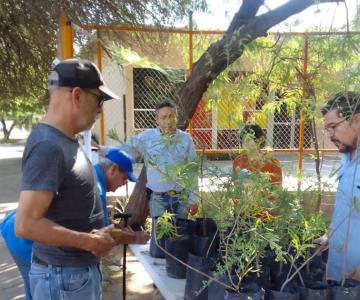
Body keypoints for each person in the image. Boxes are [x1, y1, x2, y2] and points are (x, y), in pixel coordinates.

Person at [14, 58, 149, 300]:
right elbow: (26, 224)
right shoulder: (48, 145)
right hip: (63, 279)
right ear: (76, 95)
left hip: (71, 277)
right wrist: (88, 241)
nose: (100, 110)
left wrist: (97, 232)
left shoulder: (64, 140)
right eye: (99, 100)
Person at [0, 148, 139, 300]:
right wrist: (134, 238)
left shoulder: (91, 175)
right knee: (40, 285)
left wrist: (122, 232)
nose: (124, 183)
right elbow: (101, 236)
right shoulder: (95, 188)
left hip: (14, 224)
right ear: (113, 169)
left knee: (35, 289)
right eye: (124, 178)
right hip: (25, 238)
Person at [113, 99, 199, 219]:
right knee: (159, 234)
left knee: (181, 234)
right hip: (158, 198)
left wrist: (193, 198)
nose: (168, 121)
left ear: (176, 118)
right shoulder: (147, 138)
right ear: (157, 120)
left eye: (171, 116)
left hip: (181, 198)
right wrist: (100, 150)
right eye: (163, 117)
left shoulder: (186, 139)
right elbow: (125, 149)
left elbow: (192, 170)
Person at [320, 91, 360, 282]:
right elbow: (346, 206)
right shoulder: (346, 157)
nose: (330, 135)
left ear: (357, 120)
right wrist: (330, 233)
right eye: (326, 130)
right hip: (338, 272)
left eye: (333, 127)